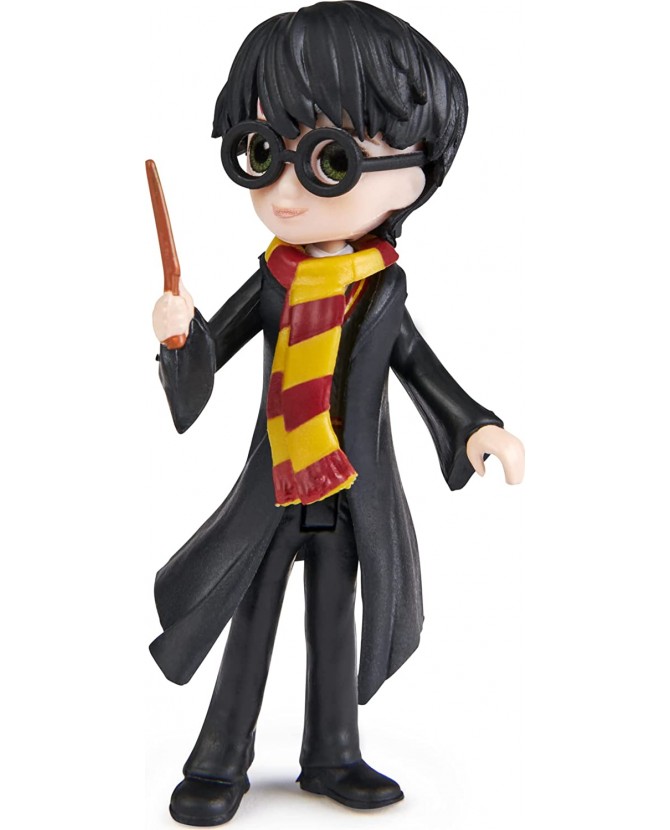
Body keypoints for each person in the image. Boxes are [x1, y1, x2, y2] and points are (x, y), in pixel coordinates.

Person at [149, 2, 524, 825]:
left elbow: (421, 368)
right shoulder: (274, 281)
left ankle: (332, 753)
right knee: (250, 621)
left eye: (330, 161)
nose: (285, 192)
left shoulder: (380, 290)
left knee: (334, 622)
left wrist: (474, 426)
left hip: (351, 490)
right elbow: (208, 356)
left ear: (417, 173)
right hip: (274, 491)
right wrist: (179, 338)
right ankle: (218, 759)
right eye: (260, 153)